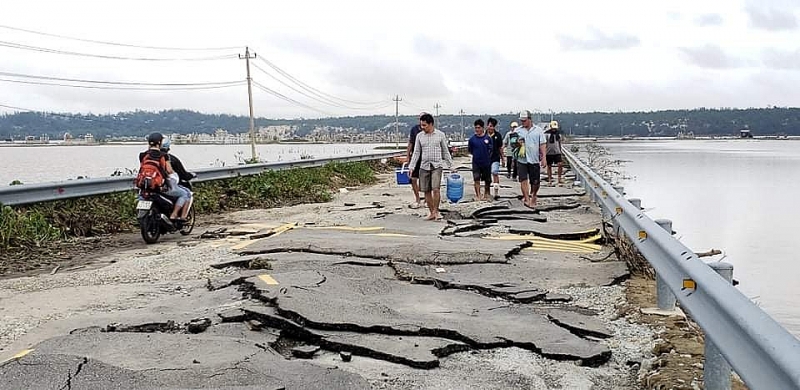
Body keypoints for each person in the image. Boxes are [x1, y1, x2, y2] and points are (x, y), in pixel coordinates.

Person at [408, 113, 454, 221]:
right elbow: (416, 152)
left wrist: (451, 166)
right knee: (426, 190)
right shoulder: (419, 136)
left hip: (437, 165)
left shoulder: (440, 135)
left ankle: (436, 211)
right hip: (424, 166)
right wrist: (411, 167)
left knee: (436, 189)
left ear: (431, 124)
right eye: (421, 125)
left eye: (424, 125)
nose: (422, 128)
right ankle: (431, 212)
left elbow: (445, 151)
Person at [138, 133, 191, 226]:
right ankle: (174, 215)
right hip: (159, 187)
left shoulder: (142, 155)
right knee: (185, 194)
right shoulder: (163, 155)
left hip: (145, 185)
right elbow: (169, 171)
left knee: (141, 196)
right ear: (160, 143)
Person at [515, 110, 547, 209]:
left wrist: (544, 157)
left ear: (529, 119)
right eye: (522, 121)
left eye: (524, 120)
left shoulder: (538, 130)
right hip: (522, 159)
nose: (523, 122)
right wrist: (517, 144)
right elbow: (513, 145)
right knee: (523, 179)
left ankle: (534, 195)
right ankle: (527, 199)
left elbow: (542, 144)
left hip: (534, 159)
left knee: (535, 182)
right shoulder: (518, 131)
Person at [160, 138, 195, 218]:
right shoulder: (170, 158)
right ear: (168, 147)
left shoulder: (149, 156)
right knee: (186, 194)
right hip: (165, 186)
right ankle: (176, 215)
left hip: (150, 186)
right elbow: (182, 174)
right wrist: (191, 175)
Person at [468, 119, 493, 201]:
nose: (477, 130)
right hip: (476, 163)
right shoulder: (472, 140)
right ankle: (478, 195)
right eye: (476, 128)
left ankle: (486, 194)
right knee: (476, 179)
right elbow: (470, 150)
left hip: (486, 163)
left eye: (479, 128)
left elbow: (491, 150)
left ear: (483, 128)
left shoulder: (488, 138)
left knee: (487, 180)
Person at [406, 113, 426, 209]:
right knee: (413, 179)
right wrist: (408, 156)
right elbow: (411, 142)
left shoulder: (431, 130)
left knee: (426, 179)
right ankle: (417, 199)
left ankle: (426, 199)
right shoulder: (414, 129)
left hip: (426, 157)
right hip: (415, 156)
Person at [486, 117, 504, 199]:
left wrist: (503, 158)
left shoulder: (498, 135)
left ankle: (496, 192)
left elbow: (500, 147)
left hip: (495, 158)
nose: (490, 128)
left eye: (492, 126)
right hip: (485, 158)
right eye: (489, 126)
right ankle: (487, 192)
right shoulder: (484, 135)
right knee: (487, 176)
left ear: (494, 127)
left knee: (494, 172)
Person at [545, 120, 564, 185]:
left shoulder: (558, 135)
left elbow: (559, 143)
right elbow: (544, 144)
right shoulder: (546, 134)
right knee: (549, 166)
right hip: (548, 152)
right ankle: (550, 179)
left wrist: (560, 151)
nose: (554, 129)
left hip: (557, 152)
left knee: (560, 164)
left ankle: (559, 178)